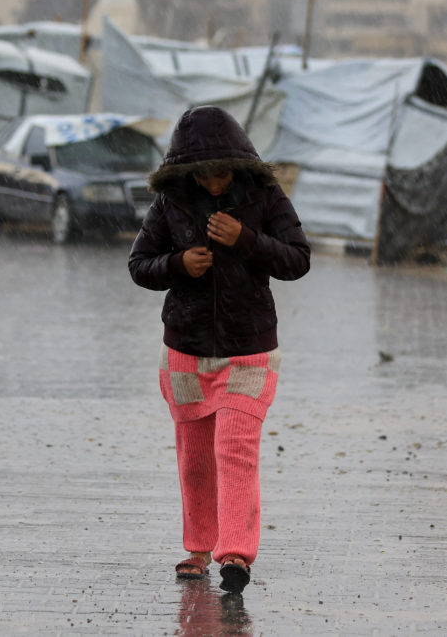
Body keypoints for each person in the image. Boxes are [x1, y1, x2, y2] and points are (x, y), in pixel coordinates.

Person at [128, 105, 311, 594]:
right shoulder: (169, 202)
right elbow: (139, 264)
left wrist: (246, 239)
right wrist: (178, 263)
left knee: (235, 447)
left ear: (239, 165)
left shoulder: (265, 196)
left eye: (223, 173)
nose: (214, 183)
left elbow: (298, 260)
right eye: (204, 175)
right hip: (185, 348)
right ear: (187, 171)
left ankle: (236, 555)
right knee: (193, 457)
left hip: (249, 348)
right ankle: (198, 549)